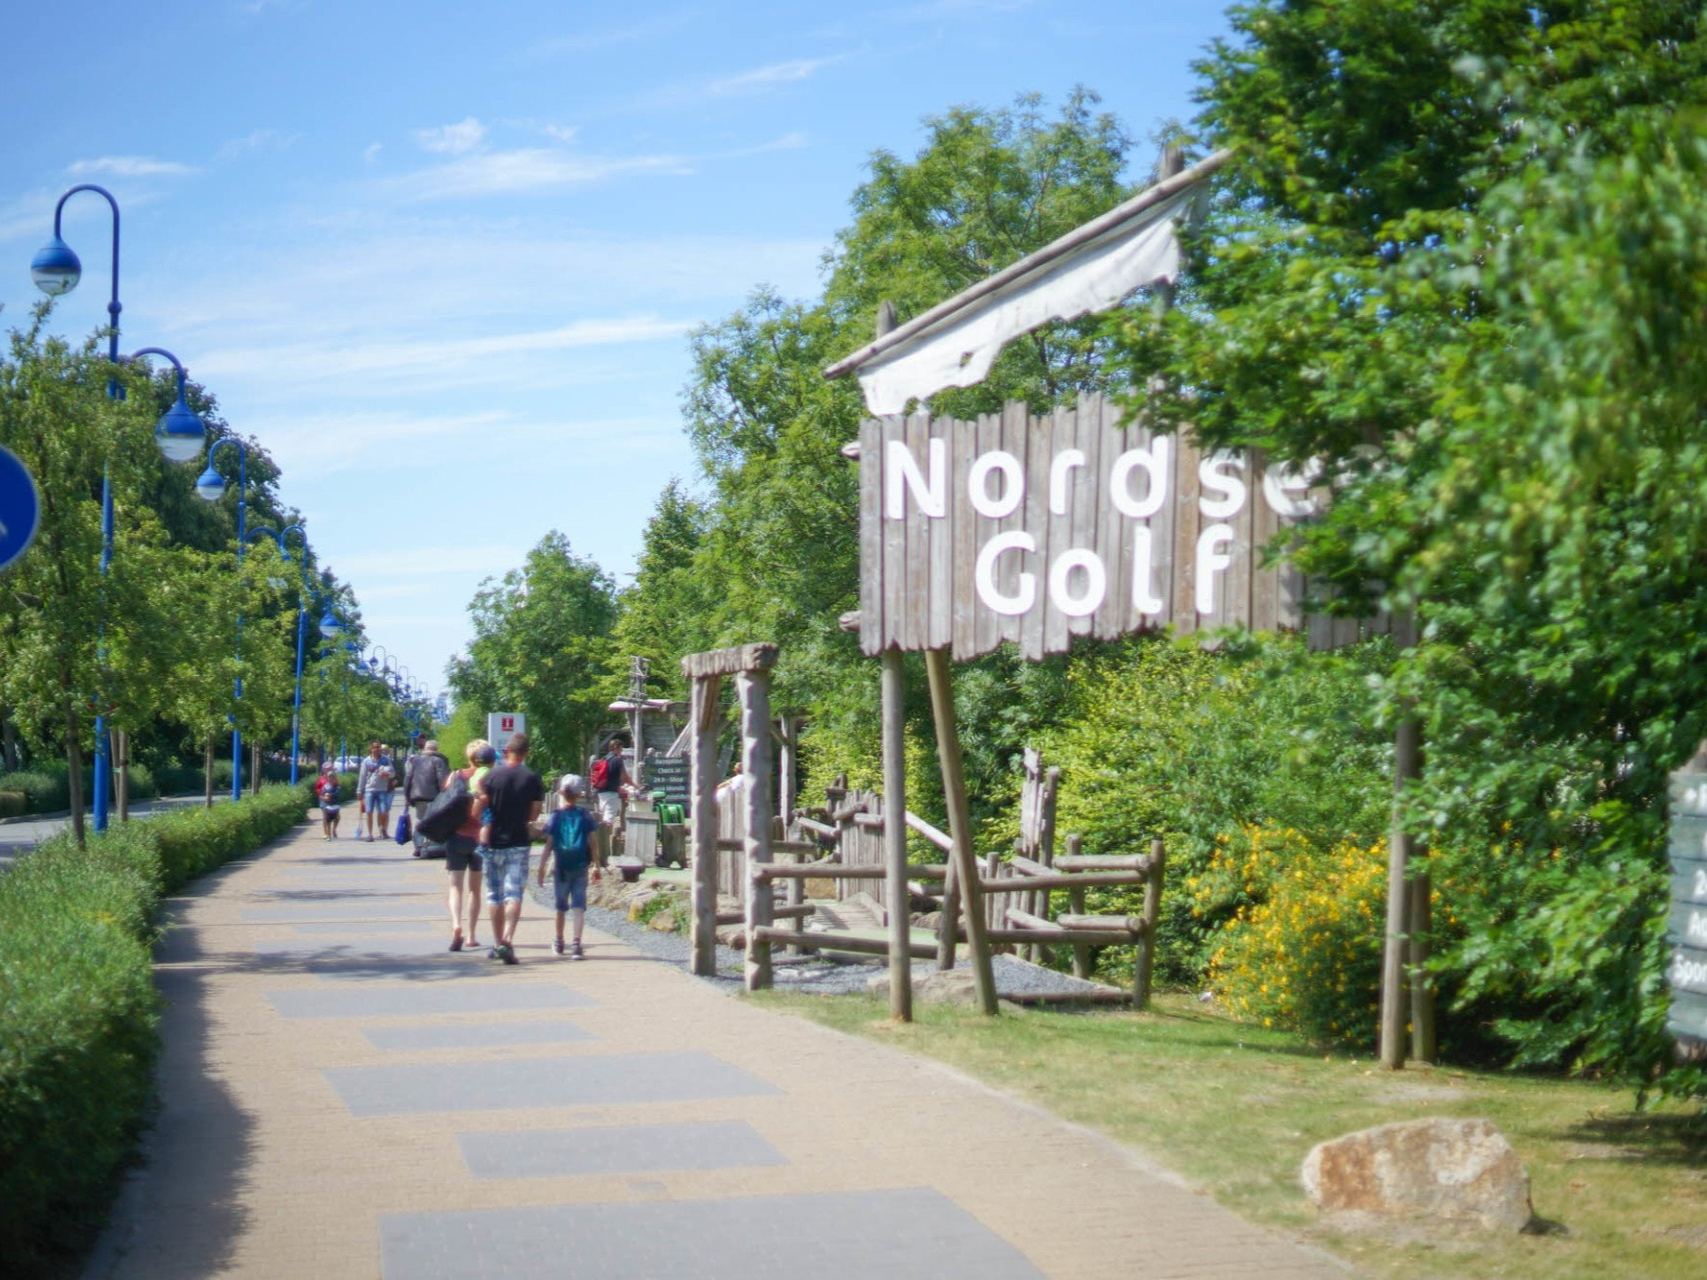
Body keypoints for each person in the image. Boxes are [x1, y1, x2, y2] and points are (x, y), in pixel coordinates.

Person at [478, 732, 541, 965]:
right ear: (525, 753)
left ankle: (497, 944)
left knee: (494, 894)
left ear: (507, 752)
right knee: (514, 893)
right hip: (519, 842)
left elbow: (479, 810)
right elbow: (534, 814)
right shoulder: (532, 778)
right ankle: (507, 940)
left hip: (493, 842)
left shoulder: (491, 777)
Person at [537, 773, 604, 959]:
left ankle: (559, 941)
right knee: (578, 906)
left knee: (560, 906)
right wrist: (596, 865)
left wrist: (542, 867)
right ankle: (576, 944)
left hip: (561, 867)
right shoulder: (585, 815)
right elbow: (593, 842)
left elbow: (549, 844)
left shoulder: (555, 816)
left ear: (560, 792)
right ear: (579, 795)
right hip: (581, 865)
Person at [443, 739, 491, 952]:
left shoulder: (456, 776)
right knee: (475, 890)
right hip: (479, 837)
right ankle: (471, 935)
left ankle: (456, 925)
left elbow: (444, 797)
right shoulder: (488, 777)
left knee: (455, 886)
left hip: (457, 836)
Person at [404, 737, 449, 858]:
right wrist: (446, 796)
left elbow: (408, 779)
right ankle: (431, 847)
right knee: (433, 822)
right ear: (436, 749)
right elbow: (443, 781)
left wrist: (407, 796)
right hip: (434, 797)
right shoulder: (438, 761)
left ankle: (418, 847)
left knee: (420, 820)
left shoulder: (416, 761)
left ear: (425, 748)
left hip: (418, 796)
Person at [591, 737, 629, 866]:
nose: (621, 751)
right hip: (612, 795)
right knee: (609, 822)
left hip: (601, 794)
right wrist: (635, 786)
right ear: (616, 748)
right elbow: (624, 776)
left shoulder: (604, 759)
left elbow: (609, 778)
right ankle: (605, 853)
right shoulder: (618, 760)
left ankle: (600, 848)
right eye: (621, 748)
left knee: (603, 820)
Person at [356, 741, 395, 842]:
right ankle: (370, 834)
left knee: (383, 811)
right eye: (374, 747)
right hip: (369, 790)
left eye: (378, 747)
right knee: (369, 812)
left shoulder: (386, 760)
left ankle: (382, 829)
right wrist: (359, 791)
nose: (376, 749)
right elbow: (362, 777)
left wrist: (387, 774)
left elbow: (393, 773)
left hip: (382, 789)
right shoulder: (366, 761)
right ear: (371, 749)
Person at [315, 763, 342, 839]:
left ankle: (334, 830)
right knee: (326, 817)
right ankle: (326, 833)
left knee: (337, 817)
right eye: (326, 769)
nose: (327, 771)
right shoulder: (321, 779)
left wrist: (331, 795)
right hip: (324, 800)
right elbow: (317, 788)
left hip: (334, 802)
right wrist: (323, 796)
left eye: (329, 769)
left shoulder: (335, 779)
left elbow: (338, 789)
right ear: (323, 770)